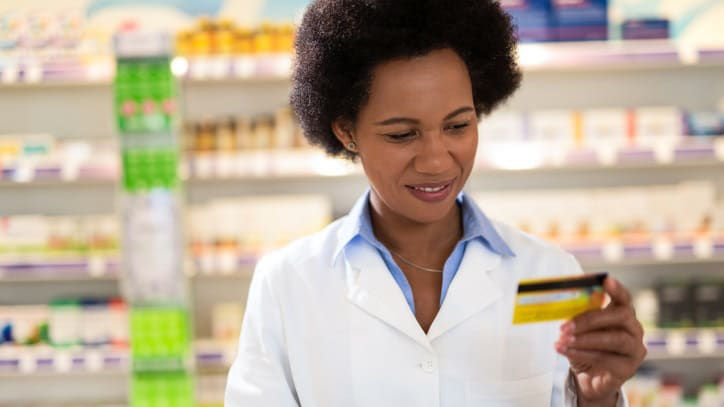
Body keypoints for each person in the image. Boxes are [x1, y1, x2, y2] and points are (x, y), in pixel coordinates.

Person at [225, 0, 647, 405]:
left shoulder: (549, 274)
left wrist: (598, 398)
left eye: (458, 126)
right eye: (402, 134)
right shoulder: (287, 284)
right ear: (346, 131)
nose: (435, 160)